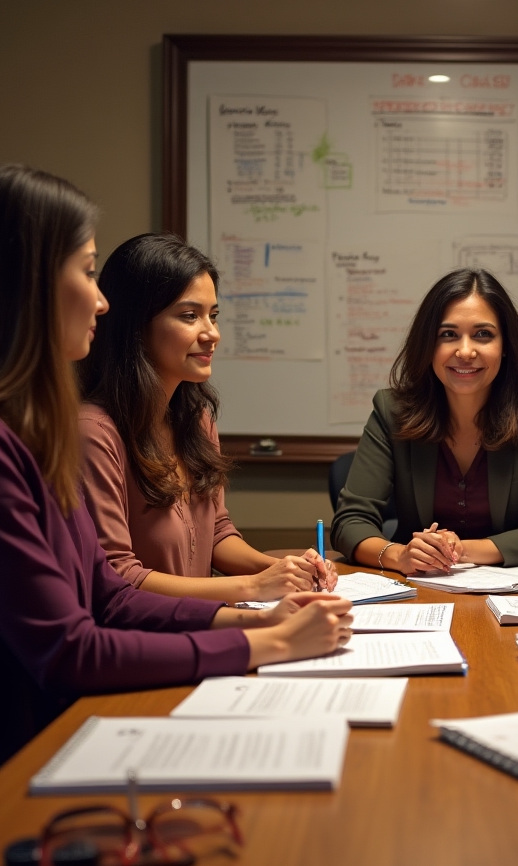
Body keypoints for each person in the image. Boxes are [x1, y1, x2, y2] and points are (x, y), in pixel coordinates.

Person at [0, 165, 352, 804]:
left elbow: (109, 597)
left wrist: (258, 621)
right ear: (27, 282)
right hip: (7, 774)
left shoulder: (32, 431)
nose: (102, 301)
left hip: (71, 735)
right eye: (86, 272)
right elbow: (67, 649)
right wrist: (264, 639)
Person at [76, 234, 336, 603]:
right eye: (189, 316)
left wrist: (281, 569)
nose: (211, 333)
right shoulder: (94, 432)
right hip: (143, 642)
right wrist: (253, 586)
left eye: (212, 316)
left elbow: (216, 533)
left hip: (200, 627)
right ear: (136, 325)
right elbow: (117, 575)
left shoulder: (195, 419)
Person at [330, 268, 518, 573]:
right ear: (428, 347)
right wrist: (400, 556)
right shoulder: (392, 409)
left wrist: (458, 549)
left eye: (483, 334)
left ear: (505, 348)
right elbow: (349, 523)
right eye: (448, 335)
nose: (465, 351)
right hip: (415, 592)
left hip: (512, 597)